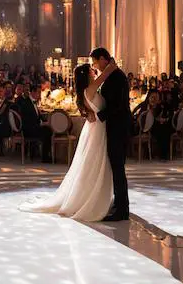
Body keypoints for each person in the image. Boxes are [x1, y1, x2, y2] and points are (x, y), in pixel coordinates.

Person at [20, 62, 116, 221]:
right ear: (87, 76)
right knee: (95, 163)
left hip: (95, 128)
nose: (94, 72)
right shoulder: (90, 89)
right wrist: (111, 66)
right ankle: (92, 199)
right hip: (97, 129)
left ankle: (95, 195)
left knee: (94, 163)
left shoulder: (86, 91)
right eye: (91, 71)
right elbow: (105, 75)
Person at [90, 47, 132, 221]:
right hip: (115, 126)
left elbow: (117, 105)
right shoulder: (111, 75)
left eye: (95, 62)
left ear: (102, 59)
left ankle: (122, 209)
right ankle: (119, 202)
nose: (95, 66)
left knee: (118, 167)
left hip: (119, 126)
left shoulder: (117, 76)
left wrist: (99, 116)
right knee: (116, 166)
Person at [15, 86, 52, 162]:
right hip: (28, 130)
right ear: (32, 92)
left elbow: (37, 116)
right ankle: (45, 157)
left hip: (33, 127)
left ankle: (45, 155)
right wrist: (42, 123)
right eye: (38, 92)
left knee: (48, 129)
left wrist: (44, 122)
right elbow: (29, 120)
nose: (40, 94)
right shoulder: (26, 104)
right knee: (48, 132)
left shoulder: (33, 102)